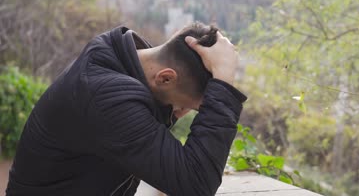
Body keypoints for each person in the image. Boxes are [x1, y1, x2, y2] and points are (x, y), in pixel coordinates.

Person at [6, 23, 247, 196]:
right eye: (190, 105)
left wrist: (167, 112)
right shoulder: (106, 96)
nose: (185, 111)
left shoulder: (118, 60)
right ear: (165, 78)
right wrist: (223, 80)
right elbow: (196, 185)